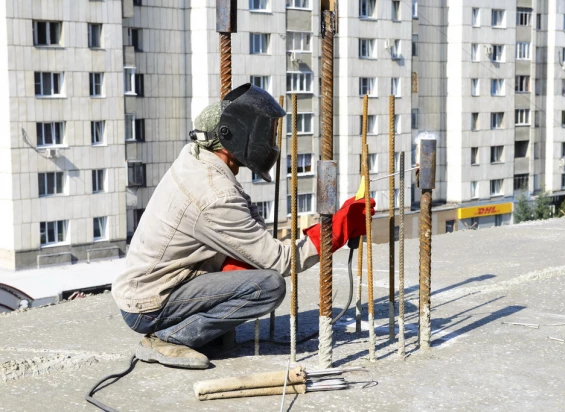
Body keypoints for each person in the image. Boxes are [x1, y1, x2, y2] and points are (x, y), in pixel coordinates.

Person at [112, 84, 374, 369]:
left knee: (242, 285)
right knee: (268, 285)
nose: (266, 139)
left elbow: (249, 230)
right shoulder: (214, 194)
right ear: (228, 139)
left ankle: (188, 330)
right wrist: (339, 228)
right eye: (261, 132)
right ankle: (168, 339)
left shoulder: (197, 159)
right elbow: (283, 261)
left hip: (157, 286)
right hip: (150, 305)